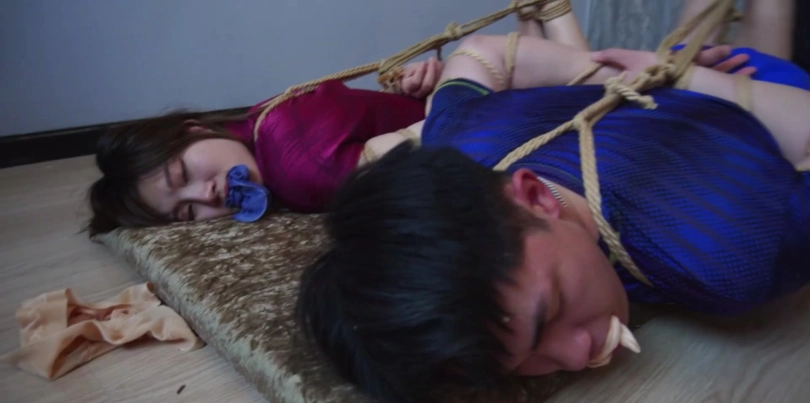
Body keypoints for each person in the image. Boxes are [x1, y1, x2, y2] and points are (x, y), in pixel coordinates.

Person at [295, 0, 809, 403]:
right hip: (683, 98)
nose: (577, 354)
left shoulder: (728, 257)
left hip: (766, 103)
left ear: (536, 197)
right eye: (523, 364)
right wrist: (652, 74)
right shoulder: (456, 142)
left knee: (763, 26)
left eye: (553, 308)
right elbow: (479, 58)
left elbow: (480, 54)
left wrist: (676, 77)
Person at [85, 0, 753, 236]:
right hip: (461, 94)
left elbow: (422, 165)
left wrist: (437, 96)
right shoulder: (264, 117)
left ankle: (660, 72)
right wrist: (423, 86)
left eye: (185, 174)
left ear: (194, 130)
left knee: (625, 104)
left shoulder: (293, 164)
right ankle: (554, 25)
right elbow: (381, 122)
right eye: (187, 212)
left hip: (481, 111)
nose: (209, 195)